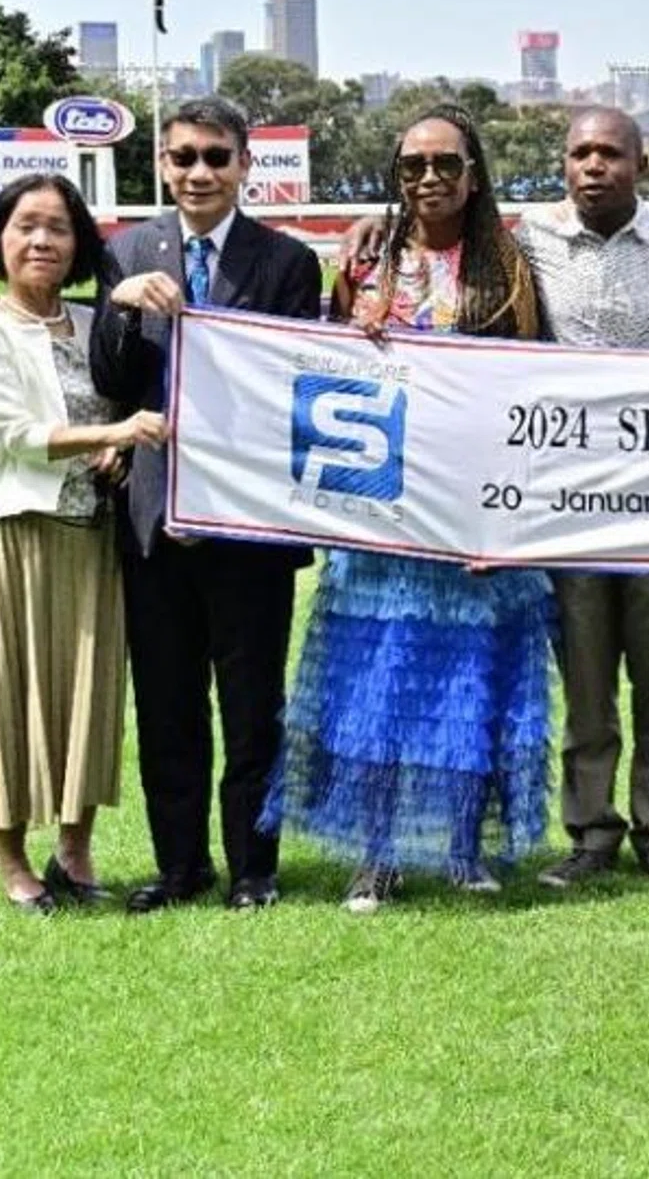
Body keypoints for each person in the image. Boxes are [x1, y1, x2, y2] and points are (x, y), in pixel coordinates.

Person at [266, 106, 553, 913]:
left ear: (474, 173)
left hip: (472, 516)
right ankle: (377, 856)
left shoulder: (510, 265)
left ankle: (463, 848)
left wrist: (508, 518)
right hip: (382, 519)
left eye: (445, 164)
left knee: (469, 680)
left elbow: (529, 391)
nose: (429, 178)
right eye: (412, 166)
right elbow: (322, 375)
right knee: (378, 685)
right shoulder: (367, 265)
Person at [91, 95, 323, 913]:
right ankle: (180, 866)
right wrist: (122, 310)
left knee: (254, 707)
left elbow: (297, 387)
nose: (199, 172)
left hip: (249, 523)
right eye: (184, 156)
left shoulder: (289, 262)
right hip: (153, 519)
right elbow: (111, 380)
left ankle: (254, 867)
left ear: (244, 166)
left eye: (216, 157)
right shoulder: (123, 253)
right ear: (161, 162)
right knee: (167, 706)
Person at [0, 174, 167, 912]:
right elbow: (11, 433)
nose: (41, 241)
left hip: (95, 535)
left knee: (89, 694)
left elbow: (128, 412)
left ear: (79, 244)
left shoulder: (93, 321)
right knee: (12, 692)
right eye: (25, 226)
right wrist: (115, 432)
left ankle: (74, 852)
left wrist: (121, 451)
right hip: (24, 536)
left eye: (58, 228)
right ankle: (12, 863)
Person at [519, 108, 649, 888]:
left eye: (610, 154)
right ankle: (592, 831)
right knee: (586, 682)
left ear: (642, 165)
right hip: (568, 503)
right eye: (579, 153)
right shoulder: (527, 240)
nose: (593, 166)